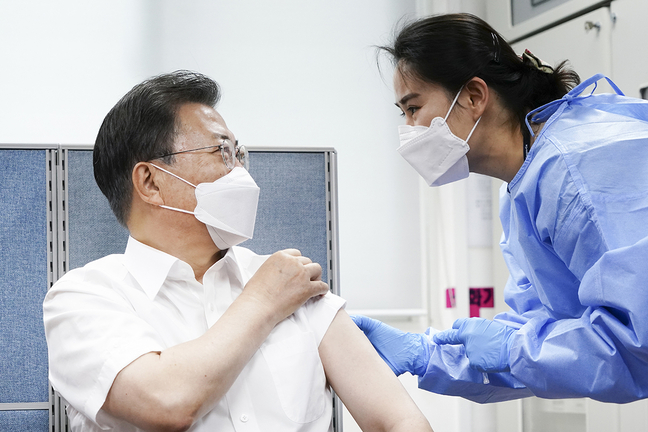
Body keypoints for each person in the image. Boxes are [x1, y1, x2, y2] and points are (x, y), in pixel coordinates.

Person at [43, 70, 433, 432]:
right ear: (150, 182)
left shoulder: (295, 282)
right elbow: (165, 401)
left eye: (239, 154)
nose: (241, 173)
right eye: (222, 153)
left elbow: (400, 421)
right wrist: (263, 301)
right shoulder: (84, 298)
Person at [353, 12, 648, 404]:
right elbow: (544, 336)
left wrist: (513, 350)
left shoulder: (573, 169)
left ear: (474, 97)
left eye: (414, 108)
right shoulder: (522, 189)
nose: (409, 130)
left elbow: (636, 341)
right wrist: (427, 355)